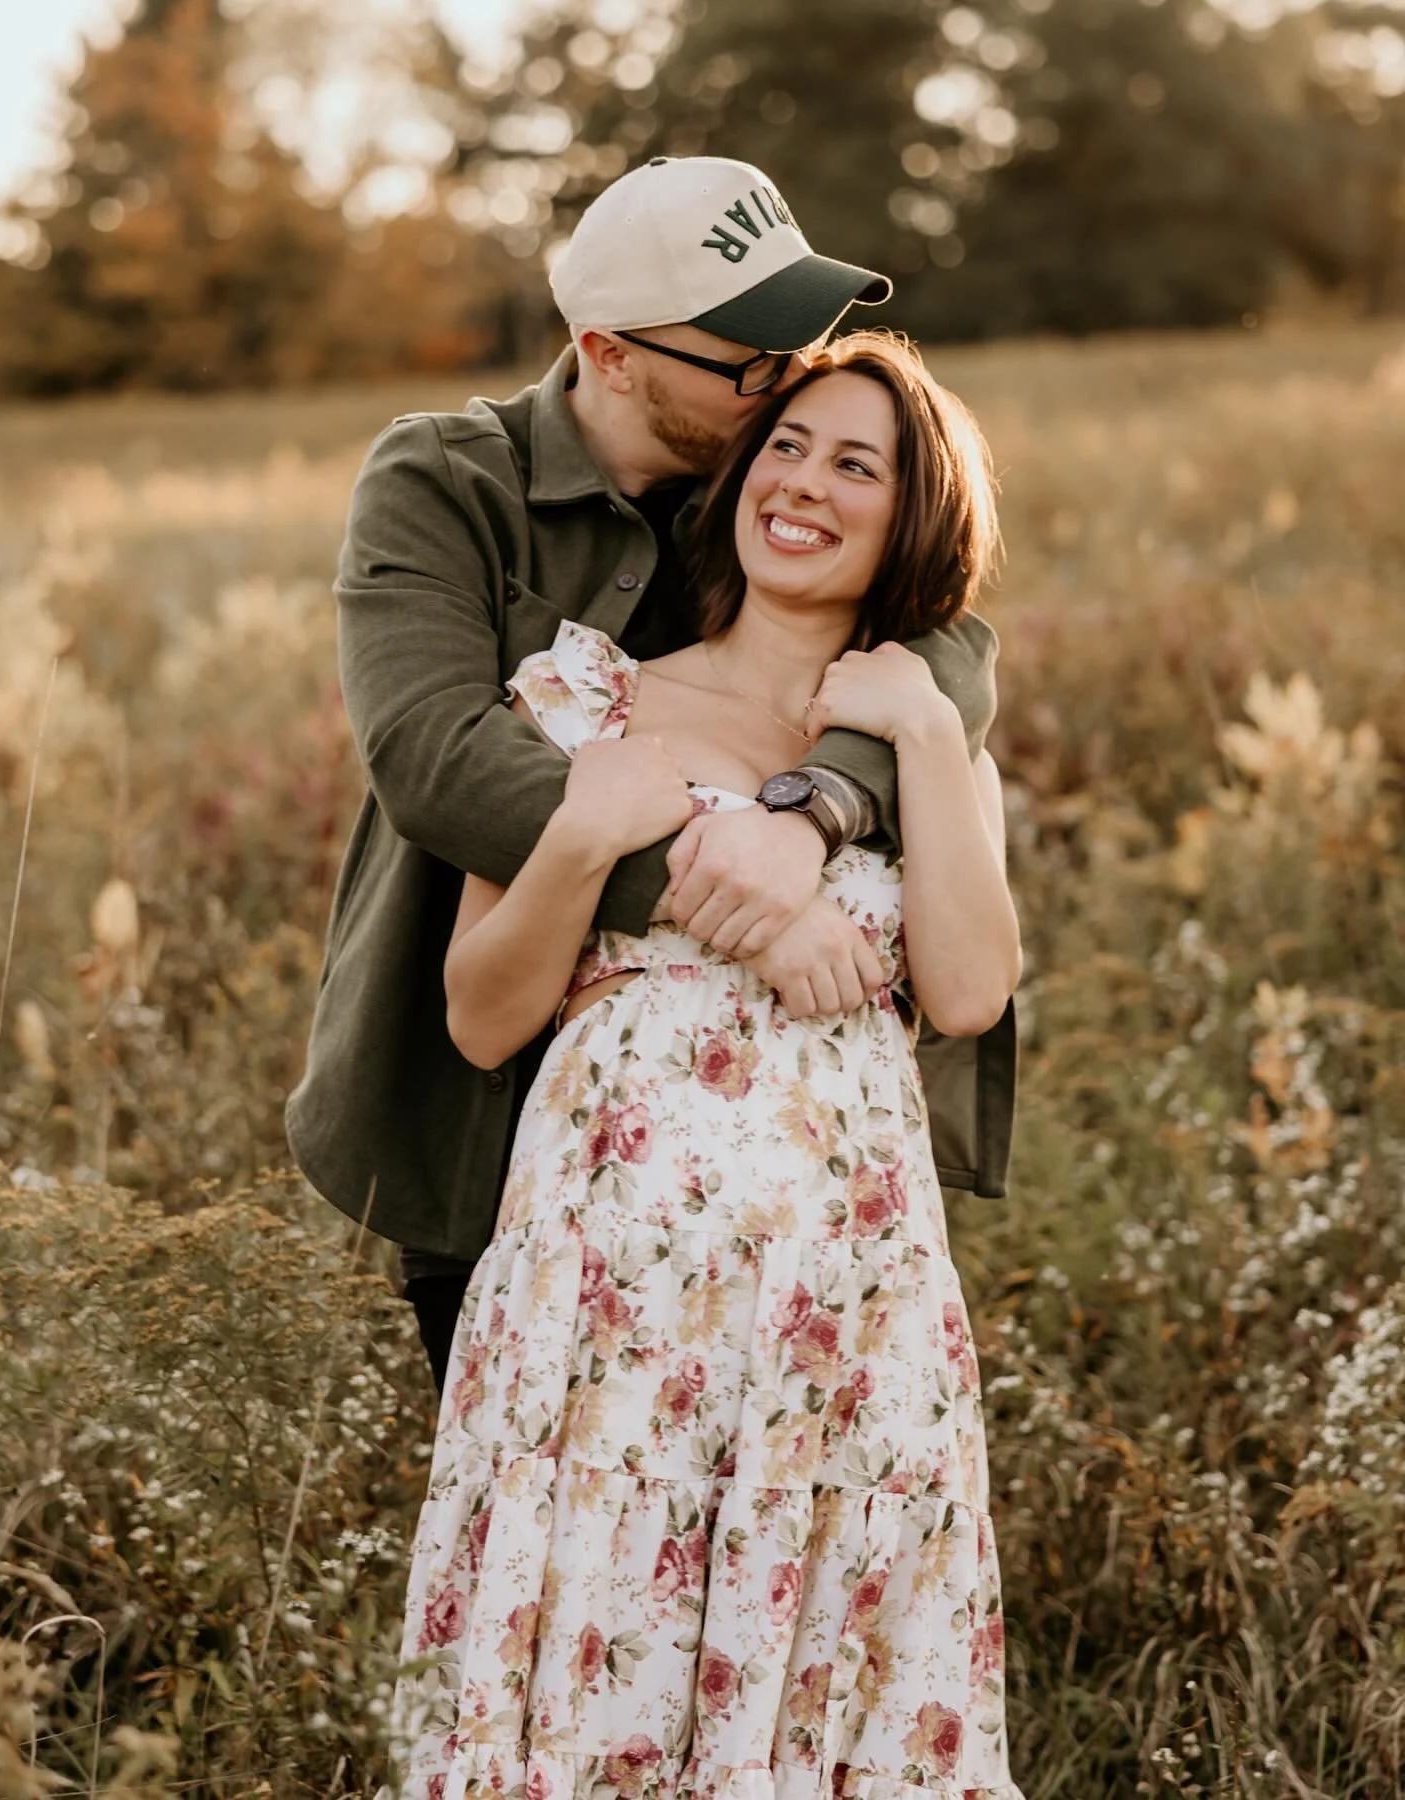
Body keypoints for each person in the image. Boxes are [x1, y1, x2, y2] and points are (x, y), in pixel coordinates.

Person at [390, 331, 1023, 1799]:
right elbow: (483, 1017)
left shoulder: (927, 735)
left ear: (912, 516)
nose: (803, 484)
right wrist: (577, 830)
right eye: (787, 446)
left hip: (844, 1304)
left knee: (831, 1687)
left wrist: (924, 736)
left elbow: (974, 994)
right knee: (599, 1674)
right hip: (608, 1302)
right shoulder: (586, 700)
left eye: (855, 464)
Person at [285, 156, 1016, 1391]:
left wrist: (809, 816)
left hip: (789, 1185)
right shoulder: (445, 483)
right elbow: (440, 765)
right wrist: (742, 904)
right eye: (751, 362)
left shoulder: (752, 486)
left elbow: (949, 642)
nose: (788, 383)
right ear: (609, 355)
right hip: (497, 1114)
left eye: (798, 341)